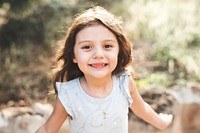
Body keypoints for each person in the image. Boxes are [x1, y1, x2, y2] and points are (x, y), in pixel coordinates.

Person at [36, 6, 173, 133]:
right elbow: (48, 129)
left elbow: (142, 109)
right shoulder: (70, 94)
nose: (98, 54)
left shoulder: (124, 83)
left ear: (118, 51)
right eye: (86, 47)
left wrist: (162, 122)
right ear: (74, 55)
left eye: (107, 46)